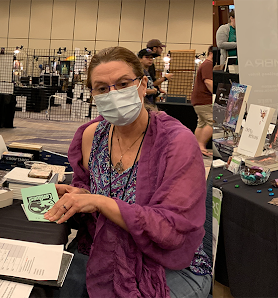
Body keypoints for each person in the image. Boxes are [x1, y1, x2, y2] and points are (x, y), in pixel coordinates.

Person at [46, 46, 212, 298]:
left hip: (165, 261)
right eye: (102, 88)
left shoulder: (176, 142)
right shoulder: (92, 135)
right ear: (93, 94)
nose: (113, 94)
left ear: (143, 84)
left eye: (123, 84)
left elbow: (172, 229)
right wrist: (78, 195)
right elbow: (92, 188)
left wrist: (101, 203)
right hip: (100, 245)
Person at [191, 46, 214, 157]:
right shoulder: (208, 65)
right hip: (205, 100)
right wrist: (216, 94)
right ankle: (200, 145)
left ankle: (197, 147)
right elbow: (208, 82)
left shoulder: (204, 64)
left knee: (202, 123)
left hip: (198, 101)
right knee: (213, 122)